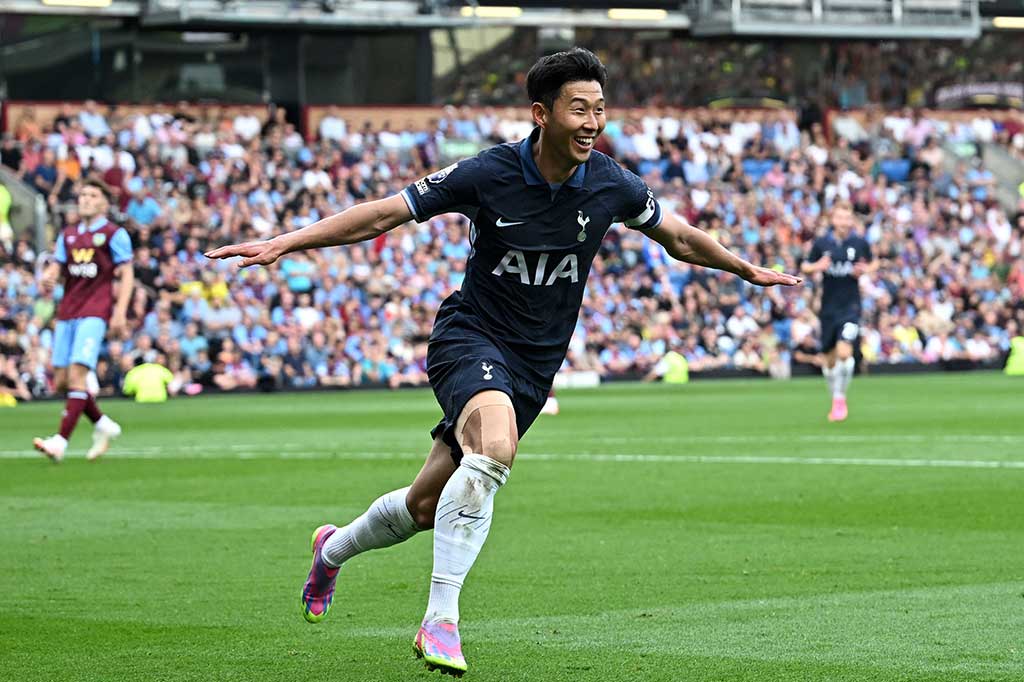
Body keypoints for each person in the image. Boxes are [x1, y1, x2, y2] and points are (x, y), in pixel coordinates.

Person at [206, 47, 801, 677]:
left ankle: (332, 551)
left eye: (601, 109)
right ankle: (440, 622)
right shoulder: (488, 174)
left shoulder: (610, 184)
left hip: (533, 368)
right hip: (470, 337)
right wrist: (286, 242)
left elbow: (678, 237)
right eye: (580, 108)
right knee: (496, 447)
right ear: (541, 114)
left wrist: (741, 267)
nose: (594, 121)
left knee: (425, 507)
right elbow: (383, 214)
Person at [33, 178, 133, 461]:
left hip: (95, 310)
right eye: (82, 194)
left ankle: (60, 442)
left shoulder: (114, 234)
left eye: (92, 195)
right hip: (68, 310)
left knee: (78, 376)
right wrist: (49, 278)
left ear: (104, 202)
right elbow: (57, 267)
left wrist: (120, 311)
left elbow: (126, 274)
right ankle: (102, 424)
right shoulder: (68, 235)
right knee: (63, 382)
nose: (85, 199)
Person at [800, 201, 875, 422]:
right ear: (833, 219)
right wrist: (817, 267)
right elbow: (805, 266)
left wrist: (865, 270)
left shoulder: (859, 243)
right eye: (839, 217)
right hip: (828, 308)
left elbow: (873, 263)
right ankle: (836, 398)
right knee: (830, 360)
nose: (843, 221)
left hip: (851, 306)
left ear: (851, 219)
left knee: (845, 352)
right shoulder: (822, 243)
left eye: (846, 217)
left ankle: (840, 399)